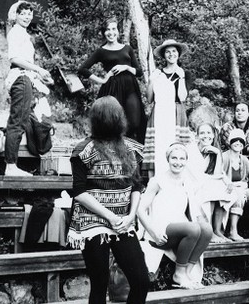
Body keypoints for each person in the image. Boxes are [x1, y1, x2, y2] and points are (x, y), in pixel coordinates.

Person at [67, 96, 149, 304]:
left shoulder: (132, 149)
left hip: (124, 220)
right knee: (100, 281)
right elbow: (79, 192)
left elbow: (137, 186)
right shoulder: (84, 150)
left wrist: (131, 216)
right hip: (92, 222)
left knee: (141, 278)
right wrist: (110, 216)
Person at [137, 143, 213, 289]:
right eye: (174, 158)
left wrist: (204, 227)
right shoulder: (157, 181)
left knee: (206, 229)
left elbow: (196, 213)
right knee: (193, 229)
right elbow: (140, 209)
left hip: (180, 230)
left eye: (182, 159)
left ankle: (187, 273)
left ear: (186, 161)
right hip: (160, 233)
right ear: (168, 159)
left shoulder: (187, 182)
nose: (178, 162)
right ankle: (178, 274)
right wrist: (154, 232)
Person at [4, 1, 54, 177]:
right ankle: (11, 166)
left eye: (29, 13)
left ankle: (12, 165)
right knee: (17, 122)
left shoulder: (23, 34)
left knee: (21, 120)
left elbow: (26, 63)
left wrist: (40, 76)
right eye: (23, 13)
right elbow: (14, 59)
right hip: (20, 78)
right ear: (15, 15)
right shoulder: (15, 33)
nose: (27, 17)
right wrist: (38, 69)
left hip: (26, 78)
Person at [78, 16, 146, 143]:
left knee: (135, 122)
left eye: (114, 29)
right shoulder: (101, 51)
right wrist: (102, 80)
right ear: (104, 33)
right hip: (112, 88)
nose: (111, 32)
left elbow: (139, 72)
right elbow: (82, 69)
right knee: (112, 123)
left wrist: (126, 67)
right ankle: (115, 152)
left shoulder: (127, 48)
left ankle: (130, 153)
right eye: (107, 30)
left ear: (118, 31)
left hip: (130, 87)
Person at [144, 39, 191, 175]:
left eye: (174, 51)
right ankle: (154, 182)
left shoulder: (183, 73)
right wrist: (151, 81)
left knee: (176, 147)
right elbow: (149, 99)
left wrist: (181, 78)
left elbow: (182, 97)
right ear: (164, 55)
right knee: (156, 147)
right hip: (159, 113)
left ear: (178, 54)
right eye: (168, 52)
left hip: (176, 113)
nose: (171, 54)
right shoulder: (158, 74)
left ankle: (178, 180)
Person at [189, 123, 237, 243]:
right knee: (213, 189)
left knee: (225, 190)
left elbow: (217, 174)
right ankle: (208, 232)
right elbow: (195, 175)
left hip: (207, 182)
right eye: (202, 133)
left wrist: (217, 153)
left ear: (214, 135)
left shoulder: (213, 150)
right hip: (192, 184)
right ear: (197, 136)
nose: (206, 136)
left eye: (209, 133)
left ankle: (217, 230)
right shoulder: (192, 150)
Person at [220, 102, 249, 188]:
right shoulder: (227, 127)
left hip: (243, 156)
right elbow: (234, 147)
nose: (239, 113)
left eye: (243, 110)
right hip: (227, 156)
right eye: (237, 111)